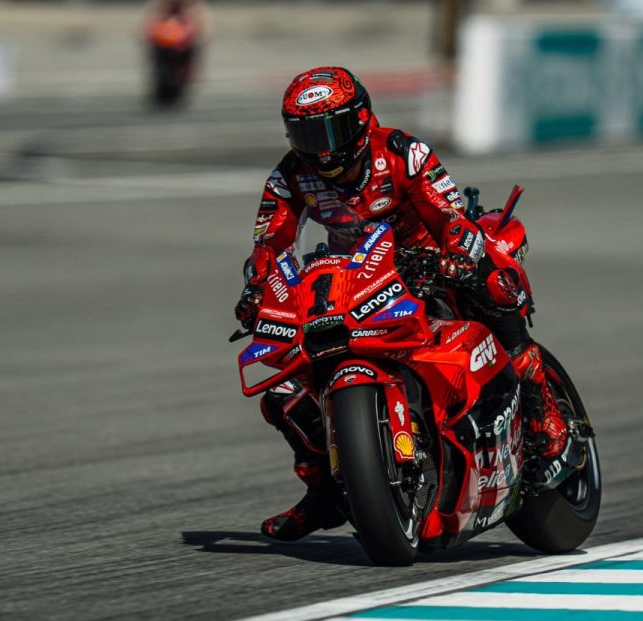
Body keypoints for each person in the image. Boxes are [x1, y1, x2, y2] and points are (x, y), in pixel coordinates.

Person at [234, 66, 568, 542]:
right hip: (350, 280)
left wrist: (458, 257)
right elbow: (270, 244)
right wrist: (256, 292)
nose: (321, 147)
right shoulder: (290, 175)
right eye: (306, 133)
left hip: (423, 265)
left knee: (494, 287)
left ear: (361, 119)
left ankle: (544, 419)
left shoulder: (401, 153)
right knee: (283, 392)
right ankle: (326, 490)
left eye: (330, 130)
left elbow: (446, 214)